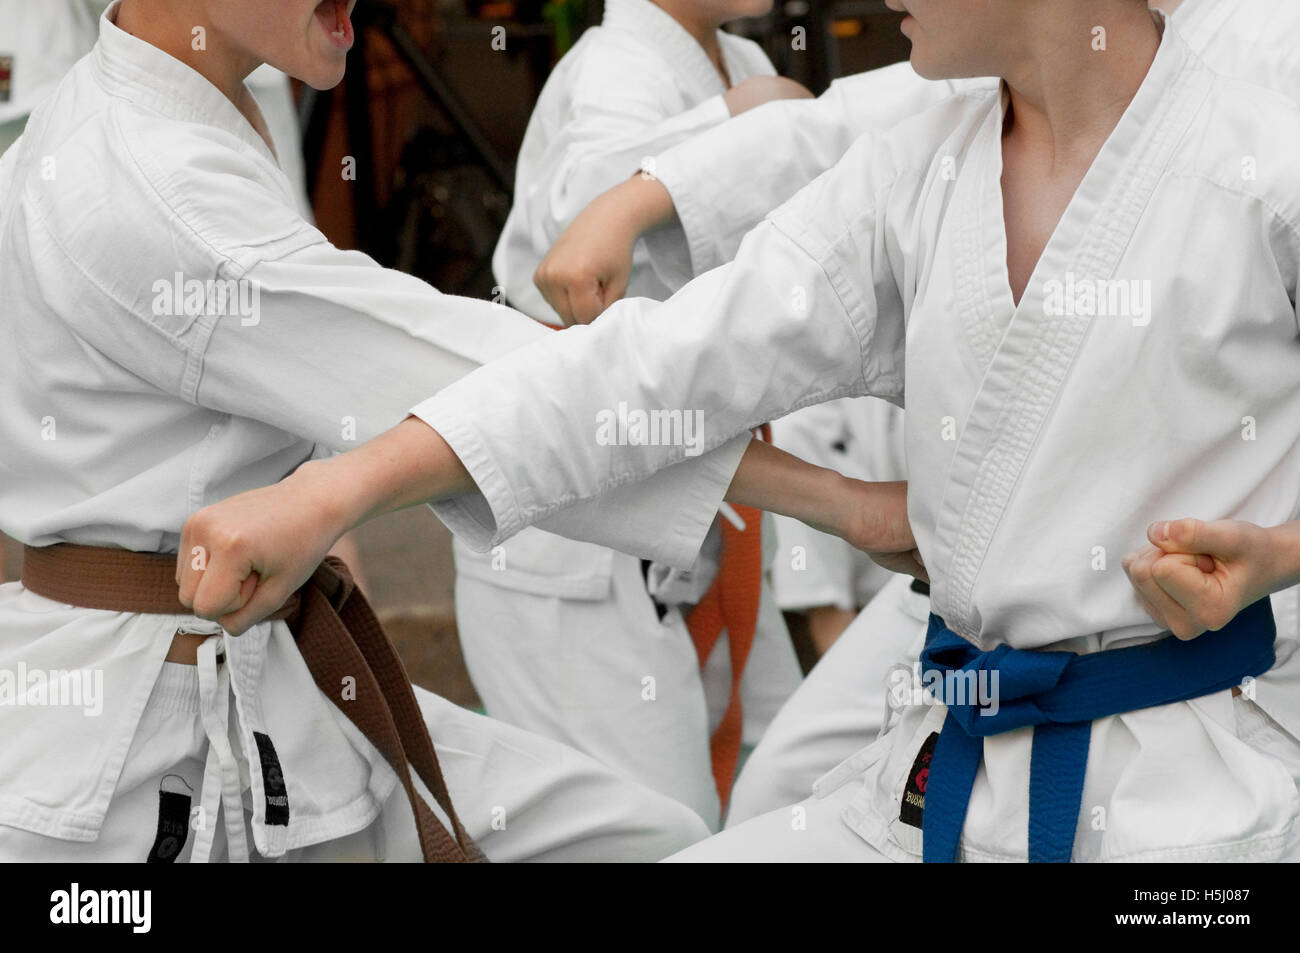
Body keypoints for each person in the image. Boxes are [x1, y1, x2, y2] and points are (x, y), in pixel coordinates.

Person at [179, 0, 1300, 862]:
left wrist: (1285, 553)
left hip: (1196, 809)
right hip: (948, 761)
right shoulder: (922, 160)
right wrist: (342, 488)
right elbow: (647, 361)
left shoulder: (1262, 120)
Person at [0, 0, 913, 862]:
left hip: (245, 671)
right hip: (145, 746)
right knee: (655, 838)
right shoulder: (151, 185)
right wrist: (839, 502)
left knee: (656, 836)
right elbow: (465, 380)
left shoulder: (173, 108)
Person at [531, 0, 1300, 828]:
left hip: (1218, 614)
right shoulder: (999, 87)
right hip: (976, 571)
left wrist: (1282, 552)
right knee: (780, 788)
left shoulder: (1257, 68)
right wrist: (648, 195)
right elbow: (868, 119)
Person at [458, 0, 810, 826]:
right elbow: (586, 213)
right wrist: (738, 119)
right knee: (651, 827)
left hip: (704, 493)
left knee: (777, 795)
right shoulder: (616, 66)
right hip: (569, 512)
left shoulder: (744, 64)